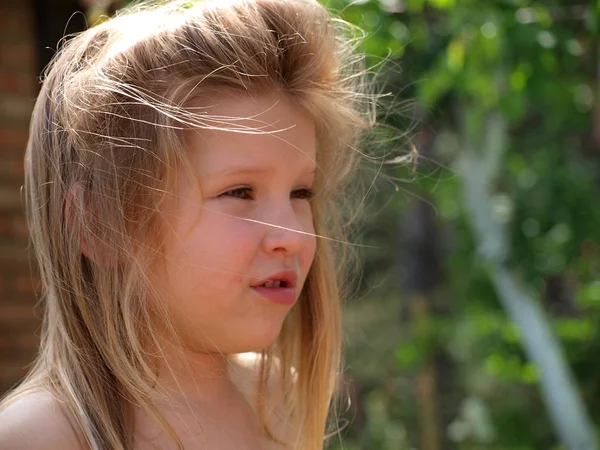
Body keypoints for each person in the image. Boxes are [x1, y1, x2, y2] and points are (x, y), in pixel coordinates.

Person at [0, 0, 377, 448]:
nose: (295, 236)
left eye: (300, 193)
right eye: (239, 192)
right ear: (100, 224)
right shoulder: (39, 438)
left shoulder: (279, 398)